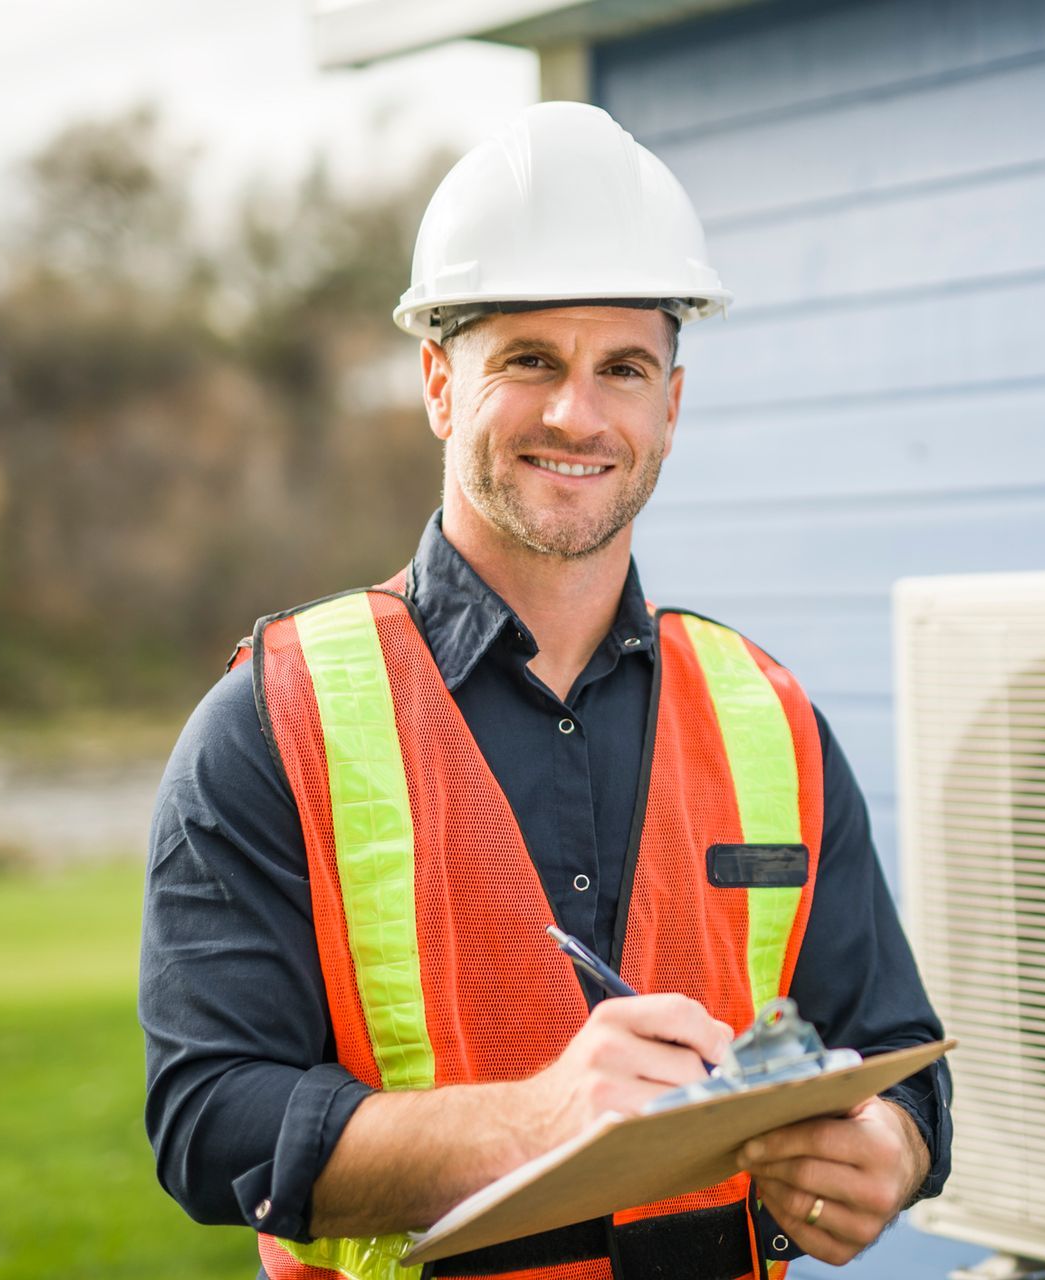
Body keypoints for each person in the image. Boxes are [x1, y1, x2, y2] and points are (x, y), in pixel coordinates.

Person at [140, 102, 950, 1280]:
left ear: (671, 405)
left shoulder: (768, 715)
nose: (580, 413)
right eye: (530, 360)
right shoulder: (275, 719)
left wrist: (892, 1142)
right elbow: (209, 1123)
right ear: (436, 381)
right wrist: (534, 1121)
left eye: (623, 367)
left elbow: (899, 1053)